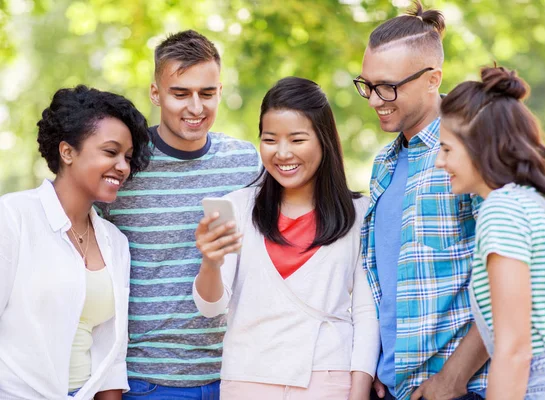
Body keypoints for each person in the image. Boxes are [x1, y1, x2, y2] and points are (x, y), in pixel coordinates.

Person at [96, 30, 260, 399]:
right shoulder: (124, 167)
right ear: (156, 93)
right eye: (180, 93)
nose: (196, 108)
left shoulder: (247, 162)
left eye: (207, 93)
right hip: (146, 379)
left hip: (234, 376)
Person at [192, 77, 379, 400]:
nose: (282, 153)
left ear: (324, 141)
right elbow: (212, 308)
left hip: (328, 380)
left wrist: (358, 391)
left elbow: (366, 313)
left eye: (297, 139)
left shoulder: (359, 213)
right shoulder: (238, 207)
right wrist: (211, 262)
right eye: (270, 139)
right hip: (247, 380)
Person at [435, 65, 545, 399]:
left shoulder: (503, 210)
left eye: (447, 149)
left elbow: (513, 351)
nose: (440, 161)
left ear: (479, 146)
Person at [353, 1, 489, 399]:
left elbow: (509, 284)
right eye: (367, 85)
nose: (375, 100)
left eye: (388, 87)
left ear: (433, 79)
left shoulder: (472, 149)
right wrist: (383, 361)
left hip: (459, 390)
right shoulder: (383, 163)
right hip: (394, 386)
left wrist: (452, 379)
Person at [0, 85, 151, 399]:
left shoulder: (115, 243)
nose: (123, 166)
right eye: (110, 152)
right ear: (67, 151)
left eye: (127, 157)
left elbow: (111, 355)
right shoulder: (13, 218)